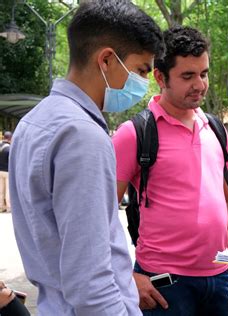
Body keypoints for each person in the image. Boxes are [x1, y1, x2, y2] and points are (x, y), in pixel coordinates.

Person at [9, 2, 163, 315]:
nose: (144, 84)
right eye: (141, 70)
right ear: (107, 59)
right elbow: (90, 280)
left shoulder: (34, 122)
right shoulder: (83, 136)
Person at [113, 25, 228, 315]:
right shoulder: (134, 133)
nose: (200, 84)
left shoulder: (216, 129)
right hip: (164, 286)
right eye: (187, 76)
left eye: (204, 73)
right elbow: (101, 215)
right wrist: (126, 275)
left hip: (221, 279)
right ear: (160, 77)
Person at [0, 132, 11, 213]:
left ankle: (1, 206)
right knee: (8, 189)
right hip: (7, 172)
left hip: (0, 171)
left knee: (1, 190)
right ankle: (8, 207)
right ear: (10, 138)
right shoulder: (9, 148)